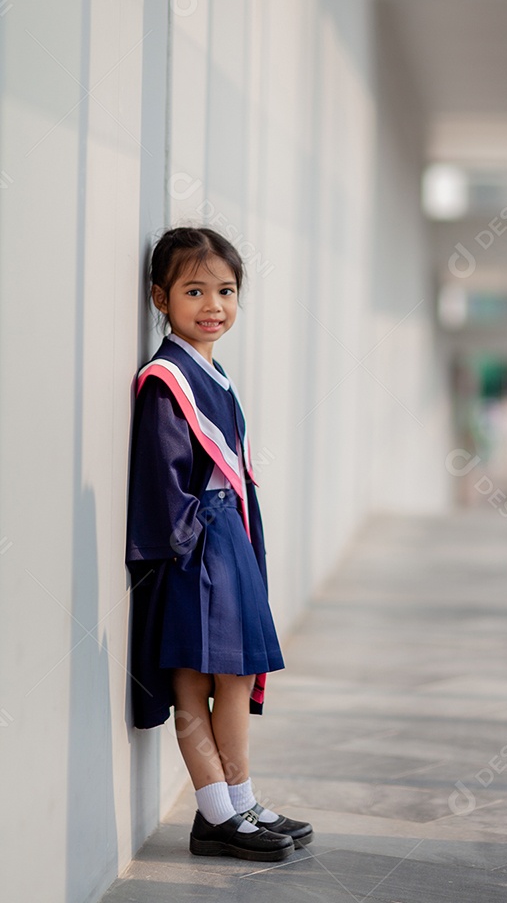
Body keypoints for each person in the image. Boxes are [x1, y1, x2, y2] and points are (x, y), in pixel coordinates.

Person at [126, 226, 313, 862]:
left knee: (235, 676)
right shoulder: (166, 379)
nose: (213, 305)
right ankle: (213, 814)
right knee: (191, 683)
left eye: (226, 290)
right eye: (194, 290)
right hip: (194, 551)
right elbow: (163, 476)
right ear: (161, 297)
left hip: (229, 542)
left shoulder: (214, 374)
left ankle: (241, 799)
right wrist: (188, 548)